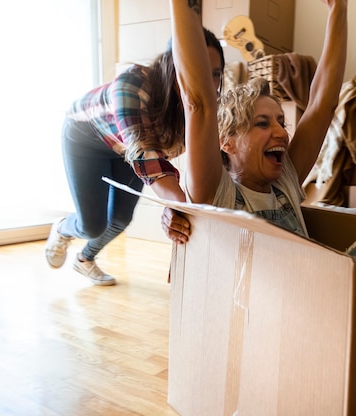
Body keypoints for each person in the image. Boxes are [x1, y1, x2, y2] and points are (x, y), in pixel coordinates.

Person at [167, 0, 356, 256]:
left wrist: (338, 9)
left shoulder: (285, 180)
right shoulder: (215, 192)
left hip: (306, 288)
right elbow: (199, 104)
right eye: (262, 123)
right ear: (227, 141)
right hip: (261, 294)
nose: (281, 133)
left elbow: (323, 104)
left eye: (281, 121)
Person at [44, 28, 225, 285]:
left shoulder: (206, 110)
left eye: (215, 74)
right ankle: (62, 228)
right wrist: (181, 209)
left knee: (120, 219)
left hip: (127, 152)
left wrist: (181, 208)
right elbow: (146, 157)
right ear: (170, 65)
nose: (205, 82)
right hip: (88, 137)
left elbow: (216, 160)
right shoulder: (133, 84)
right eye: (195, 69)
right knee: (92, 225)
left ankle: (84, 260)